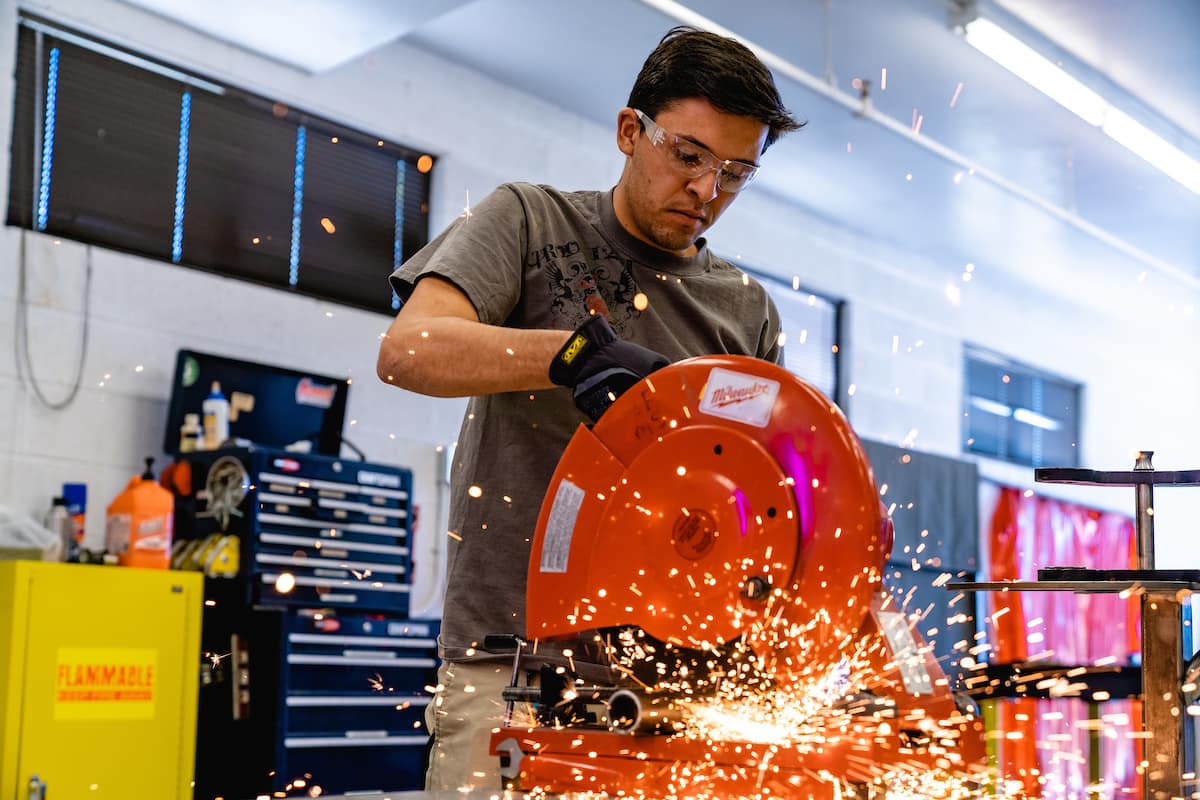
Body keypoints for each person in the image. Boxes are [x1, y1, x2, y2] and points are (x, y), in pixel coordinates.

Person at [377, 25, 803, 790]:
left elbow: (774, 491)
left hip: (678, 686)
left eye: (737, 173)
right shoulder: (530, 222)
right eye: (689, 156)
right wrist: (571, 357)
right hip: (515, 666)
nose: (708, 191)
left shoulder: (746, 310)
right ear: (629, 131)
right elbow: (409, 351)